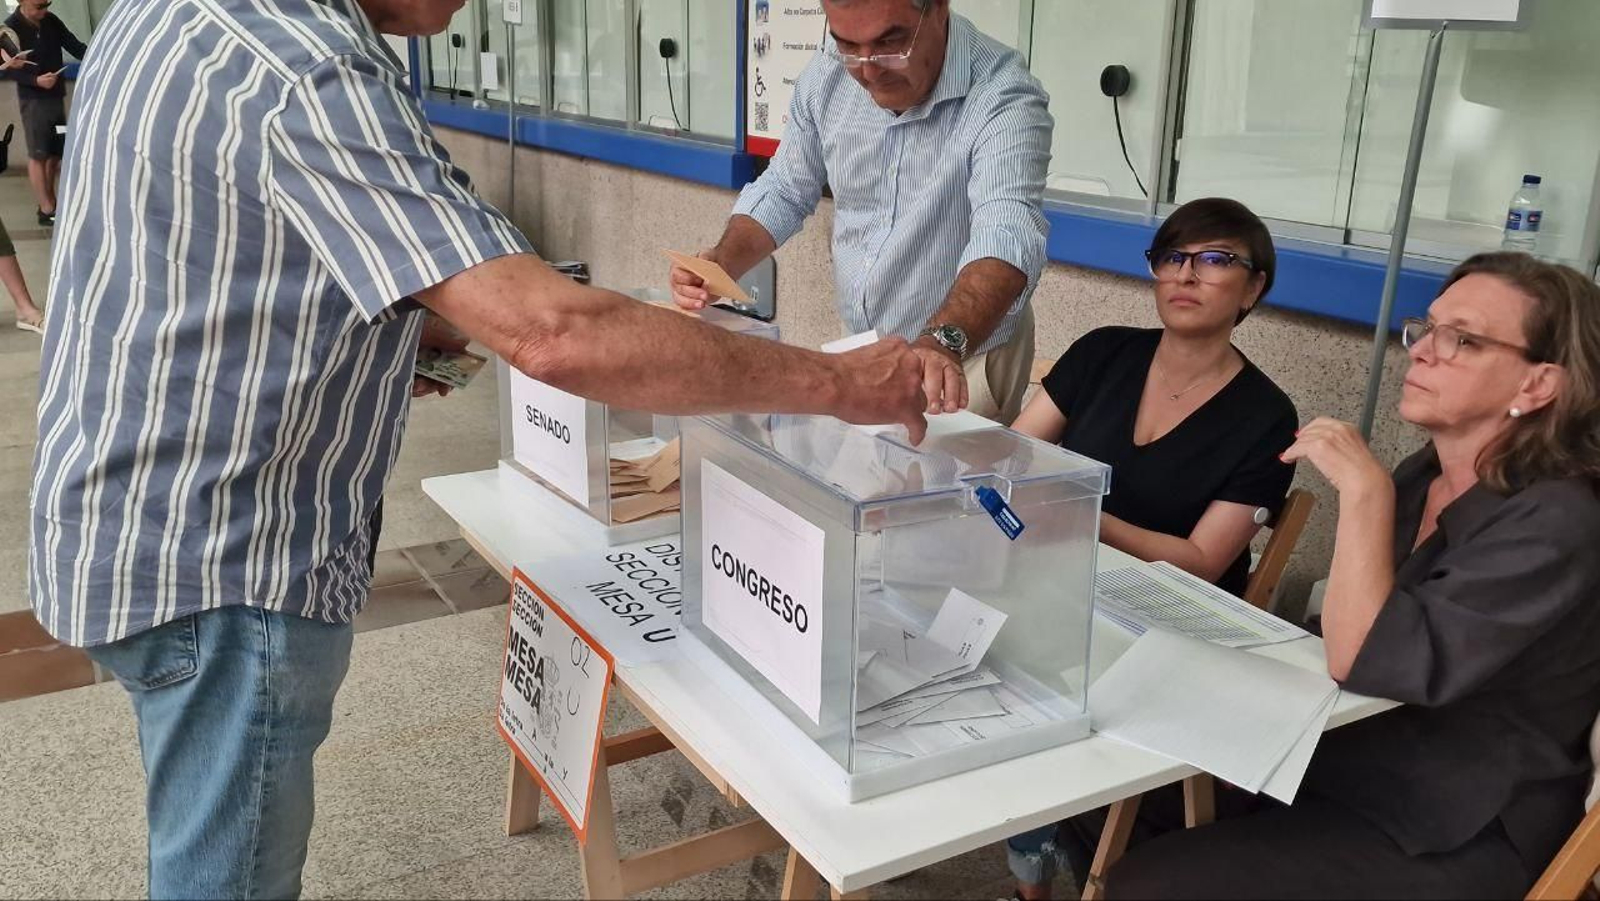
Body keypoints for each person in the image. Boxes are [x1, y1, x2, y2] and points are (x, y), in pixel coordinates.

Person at [28, 0, 927, 897]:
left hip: (123, 515)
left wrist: (370, 338)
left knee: (197, 826)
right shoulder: (310, 65)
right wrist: (842, 383)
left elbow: (202, 241)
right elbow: (554, 332)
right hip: (225, 561)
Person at [1096, 252, 1600, 899]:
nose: (1423, 351)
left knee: (1152, 884)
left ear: (1538, 385)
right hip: (1354, 755)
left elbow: (1364, 655)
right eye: (1428, 328)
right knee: (1107, 788)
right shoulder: (1427, 472)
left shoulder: (1560, 517)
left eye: (1464, 340)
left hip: (1458, 818)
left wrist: (1364, 492)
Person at [670, 0, 1051, 423]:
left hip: (962, 356)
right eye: (848, 45)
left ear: (938, 8)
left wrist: (942, 342)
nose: (868, 71)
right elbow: (784, 188)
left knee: (944, 466)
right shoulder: (827, 73)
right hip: (863, 346)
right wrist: (723, 262)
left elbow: (1006, 231)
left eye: (890, 43)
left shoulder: (1003, 93)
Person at [1011, 198, 1297, 599]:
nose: (1185, 276)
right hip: (1059, 575)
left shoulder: (1268, 417)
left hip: (1169, 605)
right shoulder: (1102, 351)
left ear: (1253, 288)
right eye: (1172, 257)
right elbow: (1013, 454)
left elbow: (1201, 563)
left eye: (1215, 259)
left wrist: (1081, 514)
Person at [2, 0, 85, 227]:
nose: (44, 11)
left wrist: (102, 55)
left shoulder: (51, 21)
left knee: (56, 151)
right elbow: (8, 68)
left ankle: (49, 200)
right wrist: (35, 80)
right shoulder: (10, 30)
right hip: (34, 102)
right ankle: (47, 207)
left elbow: (75, 46)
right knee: (39, 153)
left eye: (47, 4)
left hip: (56, 97)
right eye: (38, 6)